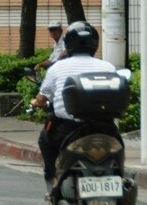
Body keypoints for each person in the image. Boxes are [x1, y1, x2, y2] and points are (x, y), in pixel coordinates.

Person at [30, 20, 117, 199]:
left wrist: (36, 103)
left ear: (68, 44)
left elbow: (41, 99)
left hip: (67, 129)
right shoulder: (107, 66)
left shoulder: (57, 68)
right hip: (105, 128)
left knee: (45, 141)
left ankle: (54, 184)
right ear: (94, 43)